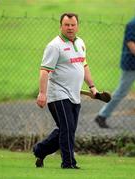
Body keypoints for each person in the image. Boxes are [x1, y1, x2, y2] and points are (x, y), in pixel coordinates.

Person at [33, 13, 98, 169]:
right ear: (61, 26)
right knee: (67, 129)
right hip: (58, 94)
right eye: (67, 25)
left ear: (77, 26)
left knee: (67, 130)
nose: (70, 28)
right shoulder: (54, 46)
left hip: (74, 95)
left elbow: (84, 65)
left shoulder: (80, 42)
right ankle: (68, 163)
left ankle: (40, 150)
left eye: (73, 25)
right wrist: (42, 93)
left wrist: (92, 86)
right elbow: (44, 71)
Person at [94, 16, 135, 128]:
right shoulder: (133, 24)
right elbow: (131, 44)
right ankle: (102, 116)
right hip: (131, 64)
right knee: (121, 91)